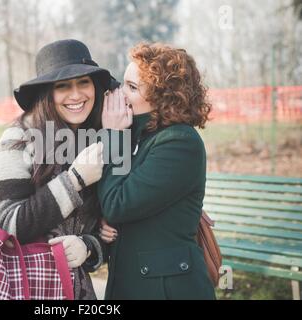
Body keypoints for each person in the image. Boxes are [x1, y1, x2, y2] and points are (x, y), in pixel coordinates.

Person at [0, 39, 116, 300]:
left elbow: (101, 230)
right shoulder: (19, 138)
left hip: (75, 290)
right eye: (63, 86)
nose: (76, 94)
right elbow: (8, 225)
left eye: (84, 82)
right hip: (23, 287)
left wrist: (88, 247)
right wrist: (75, 180)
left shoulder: (96, 143)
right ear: (47, 93)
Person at [98, 42, 216, 300]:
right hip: (134, 282)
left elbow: (117, 204)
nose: (120, 94)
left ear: (162, 97)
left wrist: (114, 136)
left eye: (132, 88)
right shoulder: (141, 135)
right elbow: (114, 196)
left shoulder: (179, 142)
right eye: (122, 84)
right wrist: (101, 222)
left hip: (166, 289)